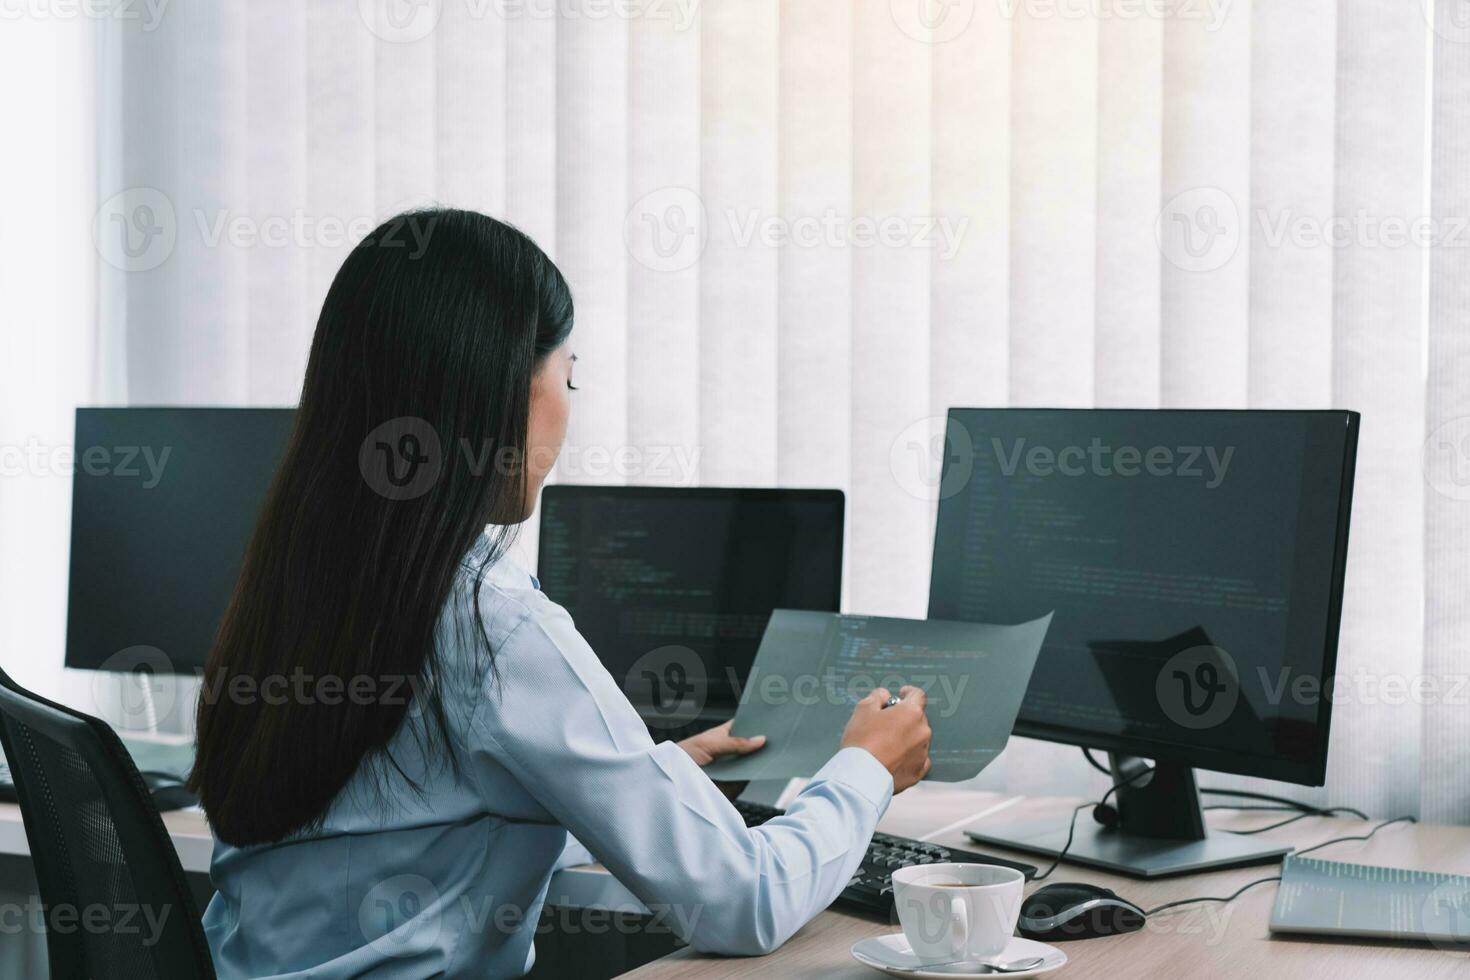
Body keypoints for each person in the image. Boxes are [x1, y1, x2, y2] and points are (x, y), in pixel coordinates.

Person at [188, 209, 933, 978]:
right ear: (499, 392)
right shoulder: (492, 624)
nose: (569, 409)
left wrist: (642, 777)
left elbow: (407, 828)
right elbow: (741, 899)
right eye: (567, 375)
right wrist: (865, 769)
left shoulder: (303, 581)